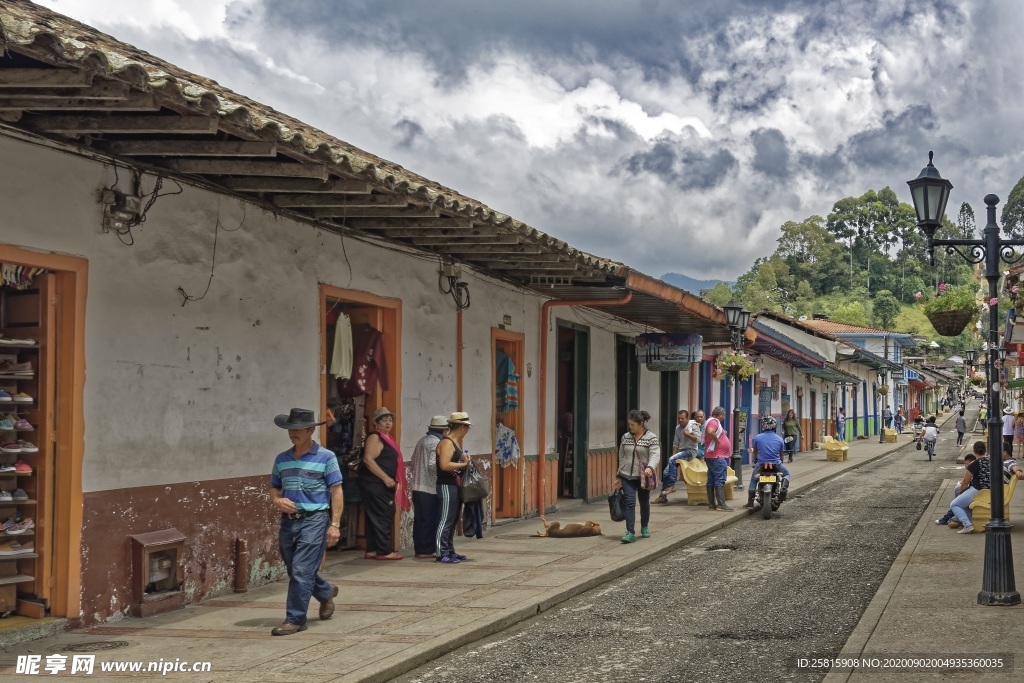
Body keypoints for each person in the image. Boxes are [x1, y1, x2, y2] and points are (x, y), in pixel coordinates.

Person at [269, 408, 343, 636]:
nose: (293, 433)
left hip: (315, 520)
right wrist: (277, 501)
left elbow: (337, 491)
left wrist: (335, 525)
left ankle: (295, 619)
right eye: (290, 429)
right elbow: (274, 487)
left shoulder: (326, 457)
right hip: (289, 522)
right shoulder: (282, 459)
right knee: (296, 570)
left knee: (301, 570)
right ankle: (325, 592)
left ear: (311, 430)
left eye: (298, 429)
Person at [358, 406, 408, 561]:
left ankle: (373, 549)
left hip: (380, 485)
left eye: (390, 420)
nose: (388, 423)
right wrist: (385, 477)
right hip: (376, 483)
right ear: (376, 423)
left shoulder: (388, 438)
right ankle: (384, 551)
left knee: (375, 516)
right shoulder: (375, 437)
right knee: (384, 514)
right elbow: (368, 459)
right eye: (384, 420)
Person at [611, 409, 661, 542]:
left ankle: (644, 526)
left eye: (633, 425)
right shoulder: (625, 437)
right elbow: (621, 456)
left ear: (641, 423)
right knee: (629, 502)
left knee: (644, 502)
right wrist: (619, 475)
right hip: (627, 475)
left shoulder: (651, 438)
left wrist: (650, 467)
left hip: (643, 476)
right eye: (629, 424)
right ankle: (630, 532)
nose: (630, 427)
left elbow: (655, 454)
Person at [435, 412, 474, 563]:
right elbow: (444, 465)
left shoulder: (455, 442)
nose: (467, 431)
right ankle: (441, 552)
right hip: (446, 485)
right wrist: (463, 464)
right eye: (467, 428)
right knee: (445, 520)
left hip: (454, 485)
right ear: (462, 427)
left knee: (452, 520)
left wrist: (464, 460)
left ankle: (450, 550)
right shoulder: (446, 442)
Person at [410, 415, 448, 559]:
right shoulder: (437, 443)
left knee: (420, 519)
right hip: (430, 487)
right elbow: (433, 465)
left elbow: (413, 461)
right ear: (444, 431)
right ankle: (426, 550)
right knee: (430, 519)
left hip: (417, 486)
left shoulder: (422, 441)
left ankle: (419, 548)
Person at [744, 417, 791, 508]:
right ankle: (783, 490)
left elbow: (755, 452)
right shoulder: (779, 439)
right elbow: (781, 454)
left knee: (754, 480)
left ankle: (750, 502)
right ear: (775, 426)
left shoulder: (757, 437)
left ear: (763, 426)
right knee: (787, 474)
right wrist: (781, 461)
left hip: (761, 464)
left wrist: (755, 460)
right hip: (776, 463)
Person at [655, 410, 699, 504]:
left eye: (682, 418)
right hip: (681, 452)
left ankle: (671, 486)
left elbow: (698, 439)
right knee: (666, 472)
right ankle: (663, 497)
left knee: (671, 461)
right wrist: (673, 456)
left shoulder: (693, 425)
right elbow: (675, 444)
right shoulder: (677, 428)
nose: (680, 420)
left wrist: (687, 434)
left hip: (690, 451)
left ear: (687, 418)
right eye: (679, 418)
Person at [947, 441, 991, 534]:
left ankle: (967, 524)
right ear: (985, 450)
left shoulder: (974, 464)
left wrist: (961, 491)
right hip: (990, 491)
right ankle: (969, 521)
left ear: (974, 451)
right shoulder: (992, 461)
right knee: (962, 502)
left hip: (977, 490)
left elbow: (965, 481)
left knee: (955, 504)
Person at [703, 406, 732, 512]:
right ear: (720, 415)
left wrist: (722, 433)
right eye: (723, 416)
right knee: (719, 479)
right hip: (717, 457)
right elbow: (711, 432)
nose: (723, 418)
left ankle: (711, 504)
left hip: (711, 456)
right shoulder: (714, 422)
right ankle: (721, 504)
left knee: (711, 480)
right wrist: (717, 441)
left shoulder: (711, 421)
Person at [935, 453, 976, 526]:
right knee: (958, 494)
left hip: (977, 493)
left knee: (955, 502)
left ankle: (955, 519)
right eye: (965, 464)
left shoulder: (973, 469)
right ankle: (954, 517)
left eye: (967, 464)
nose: (966, 466)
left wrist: (962, 487)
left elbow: (967, 482)